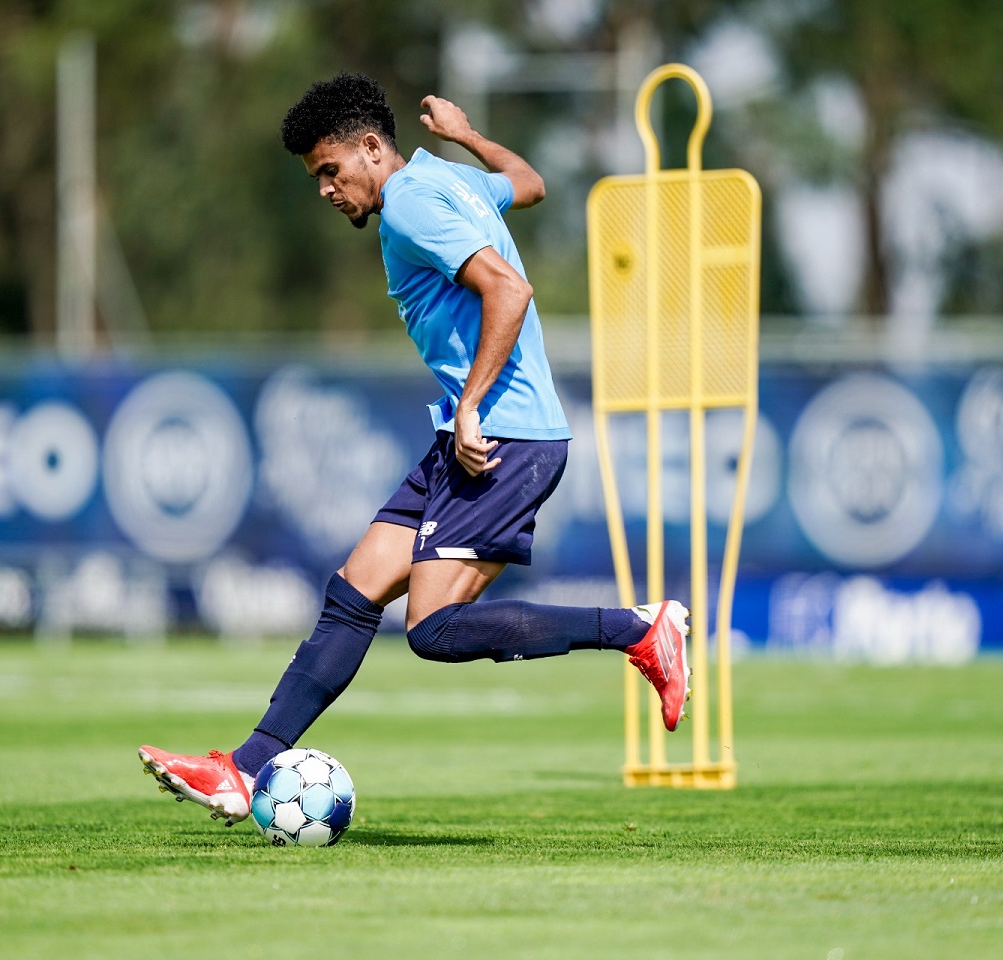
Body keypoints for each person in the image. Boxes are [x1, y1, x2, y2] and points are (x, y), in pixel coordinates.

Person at [139, 73, 689, 826]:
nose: (326, 190)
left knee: (433, 629)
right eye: (316, 178)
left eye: (330, 170)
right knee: (355, 590)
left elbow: (509, 290)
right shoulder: (449, 178)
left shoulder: (409, 203)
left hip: (503, 437)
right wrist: (466, 136)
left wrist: (470, 406)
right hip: (473, 436)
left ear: (372, 148)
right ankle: (245, 768)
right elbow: (529, 184)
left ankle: (640, 629)